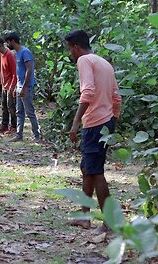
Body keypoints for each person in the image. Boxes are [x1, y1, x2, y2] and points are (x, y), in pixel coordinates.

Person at [65, 30, 122, 230]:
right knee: (87, 169)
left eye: (70, 50)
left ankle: (110, 221)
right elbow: (116, 97)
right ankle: (84, 216)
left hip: (95, 123)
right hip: (104, 122)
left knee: (96, 171)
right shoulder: (104, 62)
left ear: (75, 47)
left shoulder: (84, 61)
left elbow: (87, 92)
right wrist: (112, 120)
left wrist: (75, 122)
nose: (70, 54)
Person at [3, 32, 41, 142]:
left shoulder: (25, 52)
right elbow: (19, 72)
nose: (7, 45)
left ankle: (36, 136)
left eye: (8, 42)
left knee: (29, 112)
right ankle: (19, 134)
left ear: (13, 41)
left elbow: (29, 70)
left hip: (26, 87)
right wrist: (16, 87)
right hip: (19, 86)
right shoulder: (18, 53)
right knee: (19, 112)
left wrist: (24, 87)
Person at [0, 37, 17, 134]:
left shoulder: (9, 55)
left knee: (11, 107)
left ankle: (14, 126)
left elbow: (14, 72)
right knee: (4, 106)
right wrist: (0, 78)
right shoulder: (2, 55)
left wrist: (12, 86)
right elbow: (3, 69)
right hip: (4, 85)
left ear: (0, 45)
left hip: (10, 84)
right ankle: (4, 125)